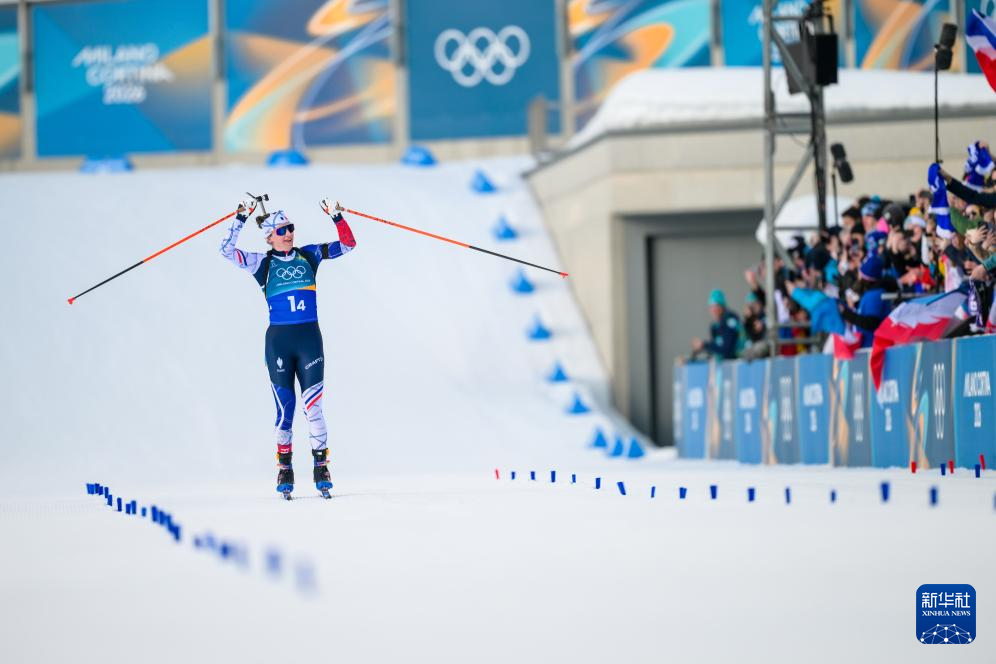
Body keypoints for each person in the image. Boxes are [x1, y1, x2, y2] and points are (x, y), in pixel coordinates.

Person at [219, 197, 357, 498]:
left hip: (309, 339)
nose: (288, 234)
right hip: (279, 343)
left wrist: (337, 217)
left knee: (314, 408)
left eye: (290, 228)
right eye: (281, 230)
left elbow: (348, 245)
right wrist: (240, 218)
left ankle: (321, 467)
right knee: (285, 411)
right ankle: (285, 468)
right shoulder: (262, 263)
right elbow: (226, 250)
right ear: (269, 237)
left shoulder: (309, 255)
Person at [691, 289, 742, 360]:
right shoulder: (714, 326)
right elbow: (716, 350)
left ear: (723, 307)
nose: (714, 310)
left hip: (739, 362)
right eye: (712, 307)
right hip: (726, 363)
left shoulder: (730, 321)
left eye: (717, 306)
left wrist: (704, 345)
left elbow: (727, 350)